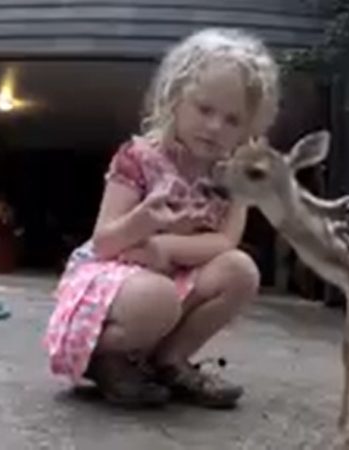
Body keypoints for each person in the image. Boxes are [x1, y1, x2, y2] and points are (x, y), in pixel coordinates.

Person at [43, 27, 281, 409]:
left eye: (232, 119)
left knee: (240, 271)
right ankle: (101, 357)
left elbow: (224, 243)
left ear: (249, 128)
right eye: (205, 109)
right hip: (117, 279)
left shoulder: (236, 176)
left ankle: (169, 361)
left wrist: (162, 249)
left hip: (167, 270)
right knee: (158, 297)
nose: (215, 126)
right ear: (176, 99)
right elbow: (105, 242)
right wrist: (143, 223)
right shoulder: (139, 158)